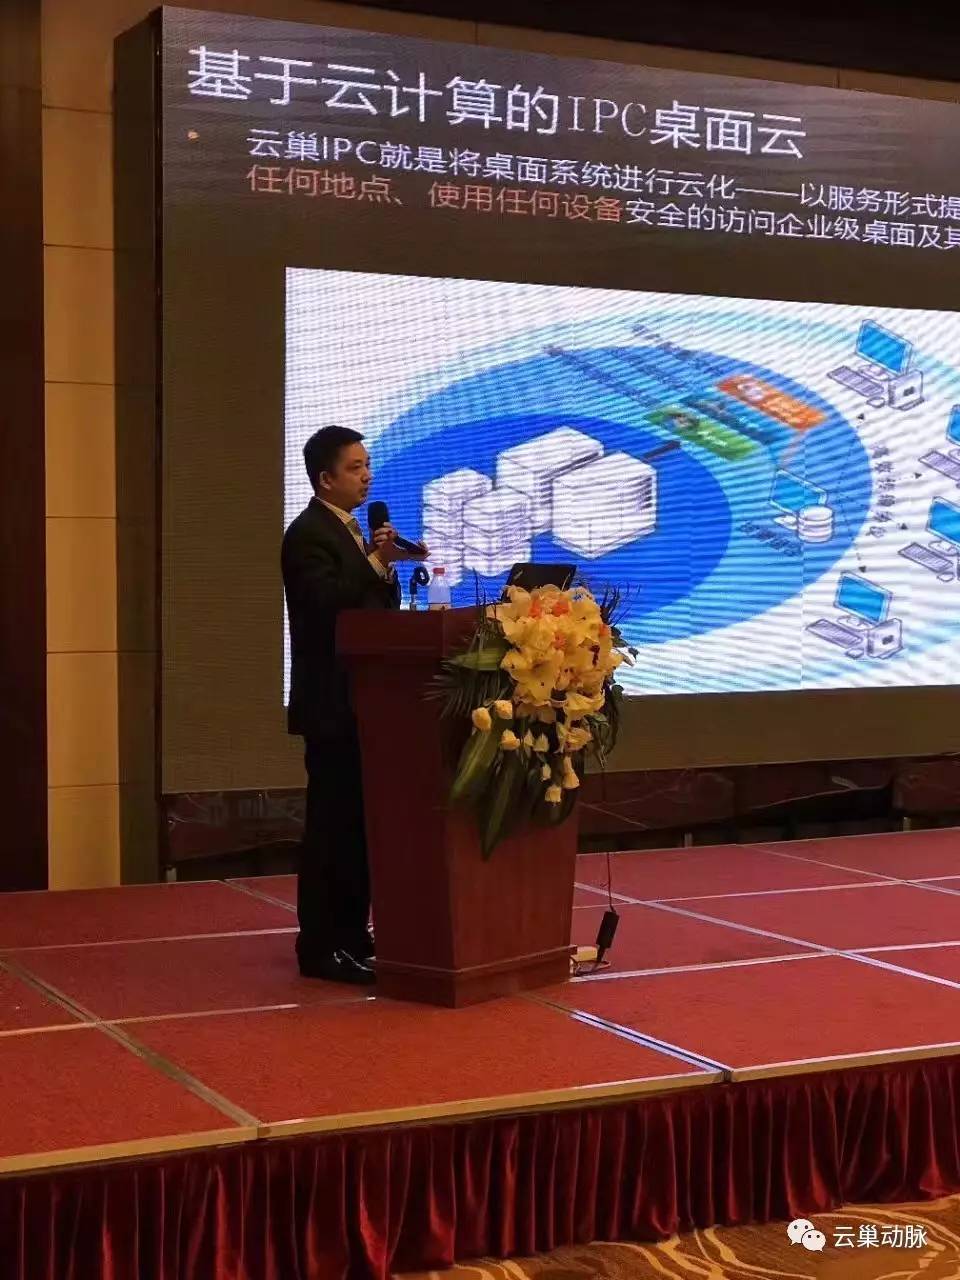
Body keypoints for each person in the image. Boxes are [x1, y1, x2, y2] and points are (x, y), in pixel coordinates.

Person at [281, 426, 426, 984]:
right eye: (355, 467)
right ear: (325, 478)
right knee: (331, 830)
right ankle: (321, 946)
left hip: (367, 702)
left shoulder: (353, 532)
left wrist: (383, 565)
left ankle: (354, 935)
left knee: (359, 828)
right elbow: (324, 607)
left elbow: (374, 612)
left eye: (367, 465)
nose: (367, 476)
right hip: (332, 705)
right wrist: (373, 562)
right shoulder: (307, 535)